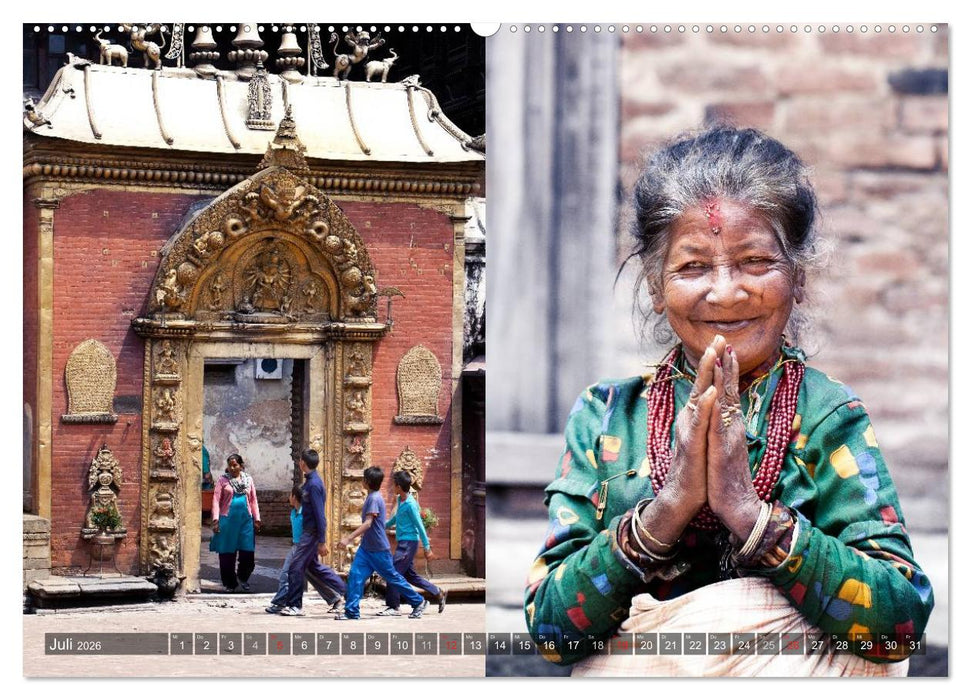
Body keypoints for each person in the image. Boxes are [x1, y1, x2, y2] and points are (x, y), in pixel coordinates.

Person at [524, 126, 934, 676]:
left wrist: (748, 512)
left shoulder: (828, 416)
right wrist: (666, 513)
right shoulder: (605, 417)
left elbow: (899, 629)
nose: (724, 292)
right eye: (693, 266)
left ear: (799, 278)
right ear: (654, 283)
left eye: (755, 262)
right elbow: (552, 635)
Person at [336, 466, 428, 620]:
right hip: (367, 548)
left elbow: (368, 523)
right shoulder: (373, 497)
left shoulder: (373, 498)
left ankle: (418, 601)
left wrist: (348, 538)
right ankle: (351, 611)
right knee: (355, 576)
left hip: (378, 549)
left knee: (392, 577)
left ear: (366, 481)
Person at [278, 449, 346, 616]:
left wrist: (322, 540)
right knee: (314, 568)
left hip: (311, 533)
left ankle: (295, 606)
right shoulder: (310, 482)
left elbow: (319, 514)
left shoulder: (314, 484)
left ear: (302, 463)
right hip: (310, 533)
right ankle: (349, 592)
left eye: (300, 460)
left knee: (295, 566)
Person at [378, 471, 446, 616]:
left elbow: (420, 526)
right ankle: (437, 592)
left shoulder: (410, 504)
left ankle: (394, 607)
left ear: (399, 486)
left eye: (394, 484)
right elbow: (395, 519)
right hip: (403, 542)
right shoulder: (400, 500)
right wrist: (382, 525)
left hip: (409, 543)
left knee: (393, 572)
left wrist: (427, 548)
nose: (392, 487)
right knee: (410, 576)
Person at [209, 453, 260, 592]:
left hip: (246, 522)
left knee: (248, 554)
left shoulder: (248, 480)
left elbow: (253, 500)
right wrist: (216, 519)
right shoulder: (223, 480)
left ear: (241, 465)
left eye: (235, 465)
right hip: (227, 521)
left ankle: (242, 577)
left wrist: (257, 519)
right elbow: (216, 500)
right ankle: (230, 583)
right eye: (230, 465)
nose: (232, 468)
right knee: (227, 555)